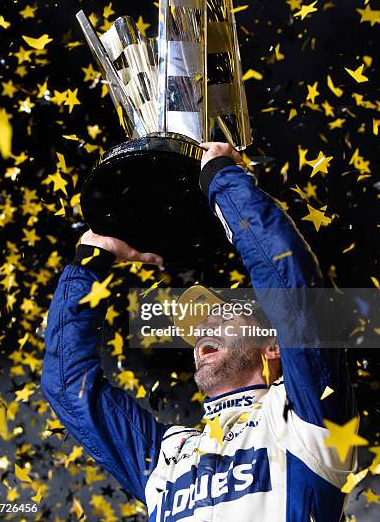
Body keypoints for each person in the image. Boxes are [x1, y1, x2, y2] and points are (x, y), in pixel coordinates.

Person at [41, 142, 358, 521]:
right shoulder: (167, 451)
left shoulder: (304, 414)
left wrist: (223, 181)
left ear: (273, 345)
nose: (204, 327)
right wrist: (89, 265)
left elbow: (291, 287)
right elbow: (67, 383)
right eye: (199, 326)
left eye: (224, 317)